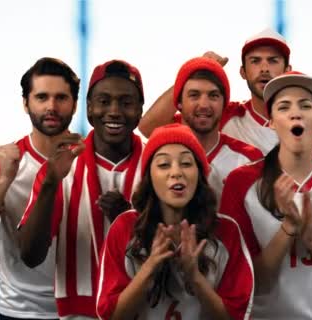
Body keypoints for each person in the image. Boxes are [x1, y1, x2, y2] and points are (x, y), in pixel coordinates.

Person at [220, 71, 312, 319]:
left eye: (306, 105)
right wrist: (289, 229)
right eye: (283, 106)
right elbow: (242, 282)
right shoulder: (241, 182)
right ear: (270, 122)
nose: (295, 113)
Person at [17, 59, 146, 319]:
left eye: (126, 102)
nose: (114, 111)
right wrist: (50, 183)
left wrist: (129, 222)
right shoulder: (61, 165)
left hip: (148, 309)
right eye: (103, 101)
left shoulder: (158, 163)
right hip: (79, 313)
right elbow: (30, 255)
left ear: (141, 109)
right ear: (88, 108)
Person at [0, 57, 79, 320]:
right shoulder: (0, 162)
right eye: (42, 97)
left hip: (83, 311)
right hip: (20, 313)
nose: (51, 106)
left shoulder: (91, 158)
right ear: (26, 103)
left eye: (61, 98)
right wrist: (4, 179)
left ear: (75, 104)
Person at [96, 123, 254, 320]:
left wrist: (195, 277)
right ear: (149, 177)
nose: (176, 172)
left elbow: (234, 317)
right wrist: (149, 268)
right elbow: (111, 316)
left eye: (186, 163)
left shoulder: (227, 230)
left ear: (199, 174)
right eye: (163, 164)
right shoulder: (124, 227)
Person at [138, 28, 312, 154]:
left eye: (273, 60)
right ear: (242, 72)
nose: (264, 68)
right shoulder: (225, 114)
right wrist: (196, 70)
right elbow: (149, 127)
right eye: (255, 61)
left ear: (287, 70)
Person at [167, 56, 263, 200]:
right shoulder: (161, 158)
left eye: (213, 95)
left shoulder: (250, 159)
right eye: (194, 95)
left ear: (225, 103)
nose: (204, 105)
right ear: (179, 103)